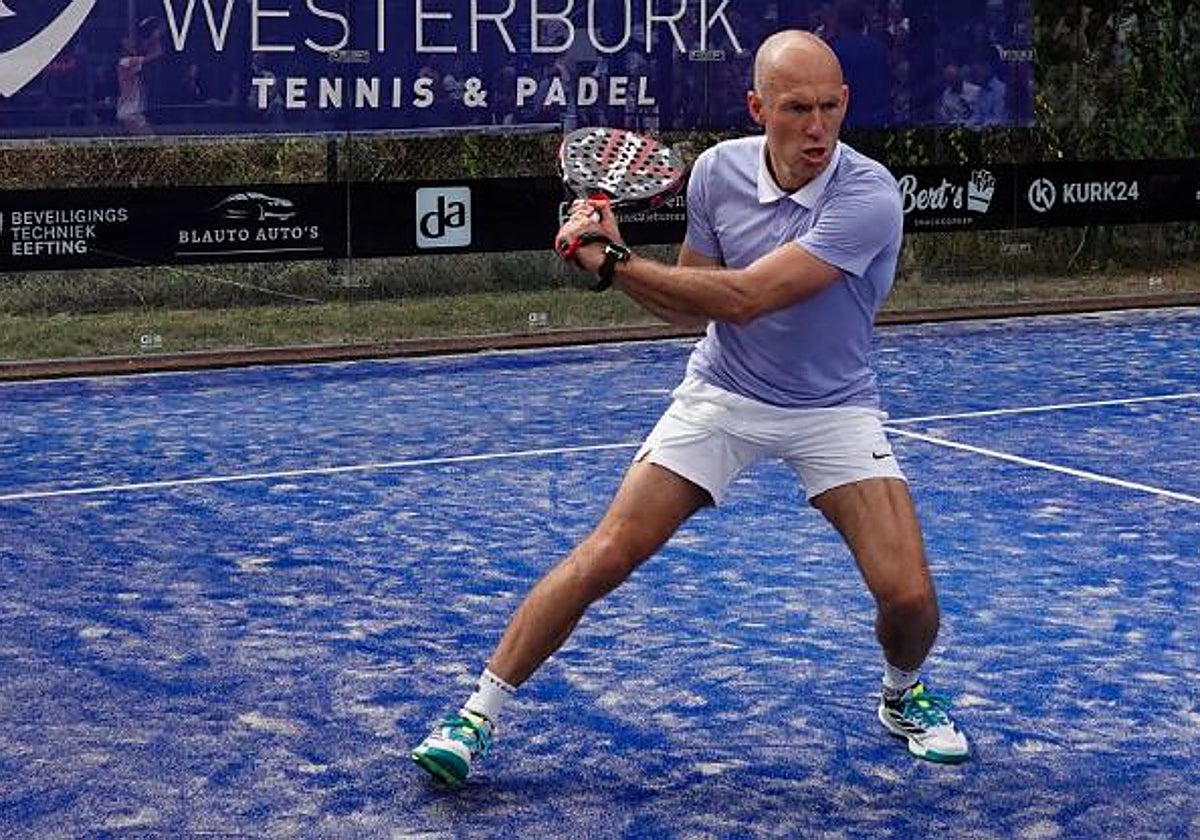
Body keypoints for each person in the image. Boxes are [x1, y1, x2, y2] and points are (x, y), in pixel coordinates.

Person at [412, 29, 970, 787]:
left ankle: (903, 696)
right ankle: (474, 714)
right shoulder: (715, 173)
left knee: (908, 596)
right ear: (756, 107)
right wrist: (615, 254)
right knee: (606, 554)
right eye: (797, 108)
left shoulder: (867, 193)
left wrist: (611, 264)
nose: (817, 128)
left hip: (832, 407)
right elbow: (691, 307)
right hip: (723, 393)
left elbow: (745, 298)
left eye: (830, 108)